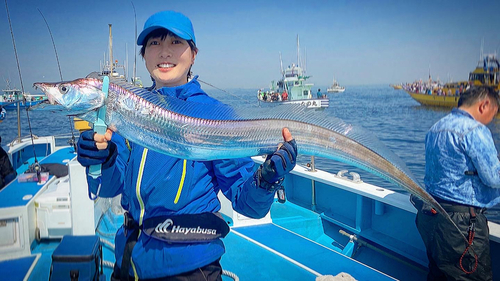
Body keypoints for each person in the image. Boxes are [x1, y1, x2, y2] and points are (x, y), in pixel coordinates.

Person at [76, 10, 297, 281]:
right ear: (144, 55)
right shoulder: (126, 111)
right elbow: (109, 187)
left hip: (191, 268)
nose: (164, 52)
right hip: (130, 264)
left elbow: (247, 203)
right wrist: (103, 159)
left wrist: (267, 179)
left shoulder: (214, 115)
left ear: (193, 54)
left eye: (176, 42)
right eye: (154, 43)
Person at [413, 86, 500, 281]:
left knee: (438, 275)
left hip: (432, 215)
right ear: (484, 105)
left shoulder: (436, 127)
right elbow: (493, 178)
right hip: (462, 223)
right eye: (493, 114)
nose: (491, 120)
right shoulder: (475, 130)